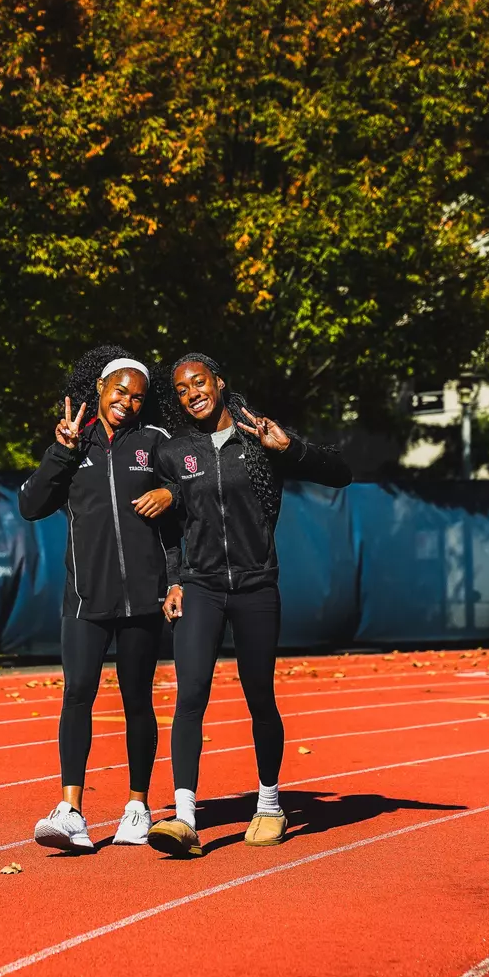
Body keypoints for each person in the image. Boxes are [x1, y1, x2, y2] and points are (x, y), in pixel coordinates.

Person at [146, 353, 351, 857]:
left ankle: (269, 803)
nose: (192, 392)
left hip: (257, 587)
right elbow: (169, 529)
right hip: (201, 587)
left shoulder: (256, 440)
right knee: (189, 695)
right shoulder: (176, 453)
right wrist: (173, 580)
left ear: (219, 382)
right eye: (181, 389)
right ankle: (186, 818)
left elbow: (341, 472)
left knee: (259, 696)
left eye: (199, 382)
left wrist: (292, 448)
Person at [19, 345, 176, 852]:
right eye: (118, 391)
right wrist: (61, 451)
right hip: (85, 599)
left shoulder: (156, 443)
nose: (126, 402)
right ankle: (71, 812)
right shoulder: (74, 442)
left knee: (137, 701)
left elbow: (193, 492)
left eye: (137, 396)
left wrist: (172, 493)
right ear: (100, 390)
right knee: (77, 696)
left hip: (143, 602)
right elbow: (31, 504)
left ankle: (137, 806)